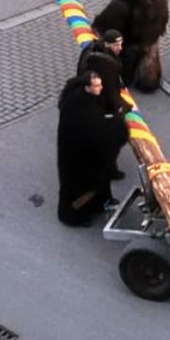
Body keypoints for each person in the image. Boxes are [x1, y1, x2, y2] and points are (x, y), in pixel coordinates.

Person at [56, 70, 128, 226]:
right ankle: (73, 216)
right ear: (87, 87)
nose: (101, 88)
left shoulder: (86, 99)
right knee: (82, 186)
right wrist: (116, 127)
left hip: (86, 153)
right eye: (97, 86)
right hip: (78, 157)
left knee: (98, 179)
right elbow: (92, 129)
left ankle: (100, 203)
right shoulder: (79, 106)